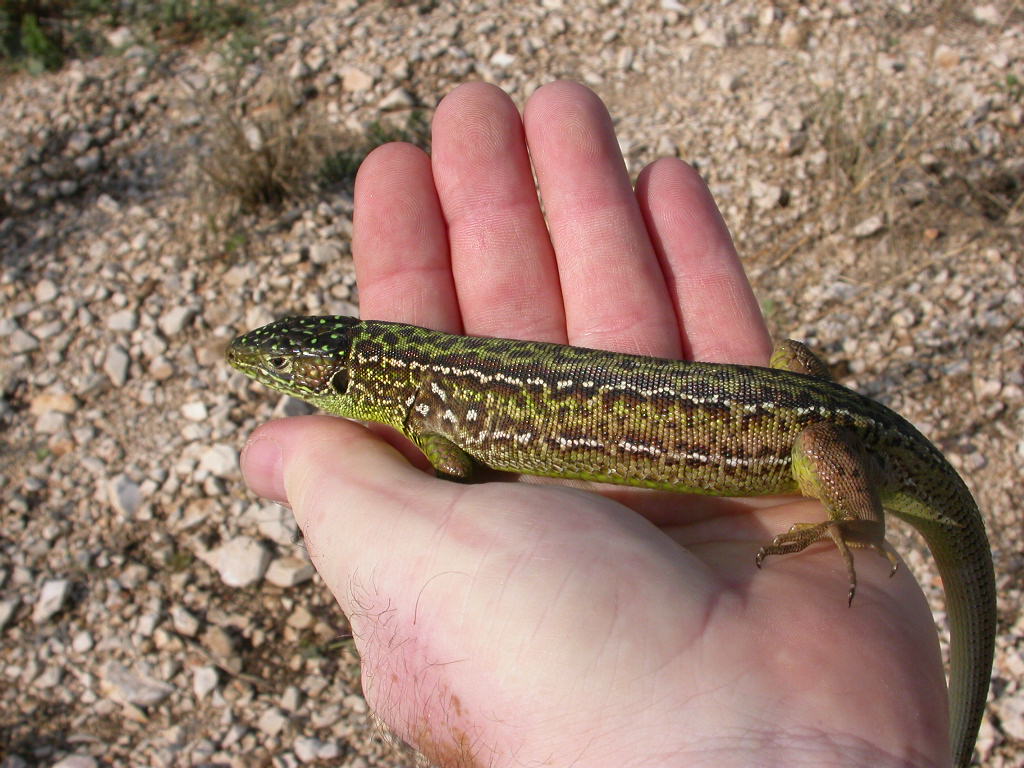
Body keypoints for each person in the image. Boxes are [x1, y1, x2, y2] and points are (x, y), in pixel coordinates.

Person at [240, 81, 949, 767]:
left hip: (824, 437)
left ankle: (857, 523)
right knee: (791, 366)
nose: (261, 369)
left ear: (335, 379)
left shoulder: (427, 417)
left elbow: (464, 473)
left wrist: (852, 518)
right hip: (788, 412)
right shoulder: (421, 395)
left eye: (280, 367)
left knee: (820, 443)